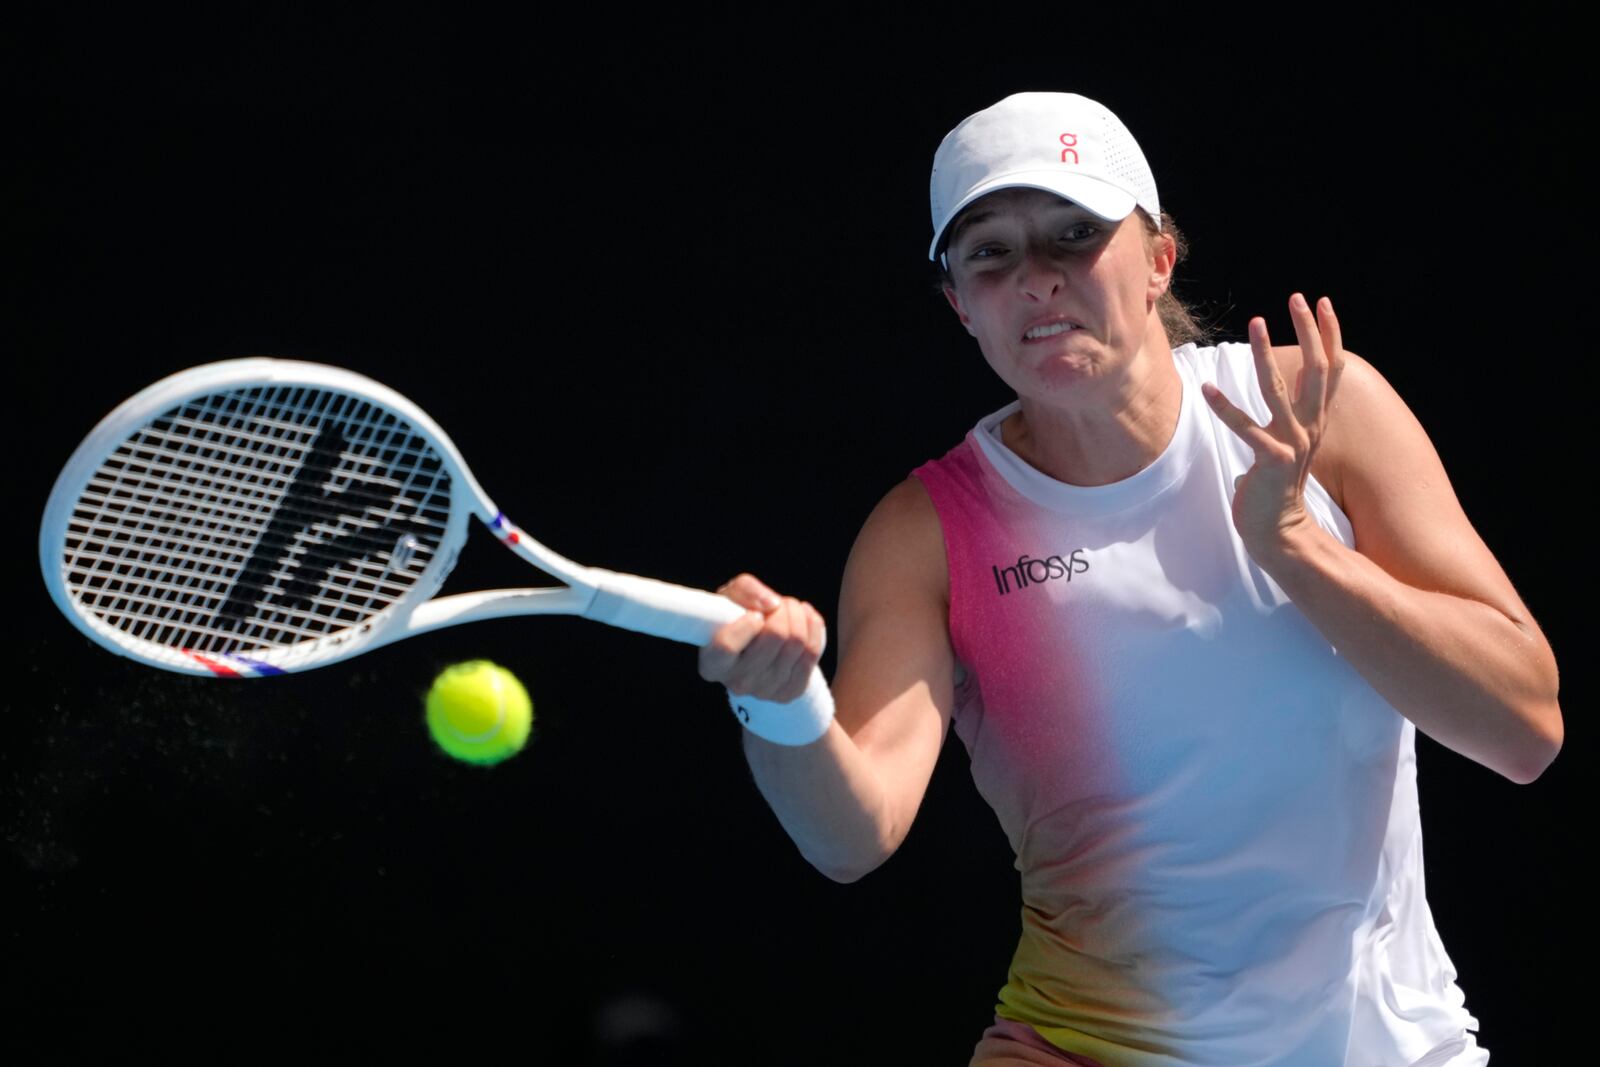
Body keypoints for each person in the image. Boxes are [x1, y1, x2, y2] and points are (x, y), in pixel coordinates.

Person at [697, 92, 1561, 1067]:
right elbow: (851, 834)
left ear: (1157, 258)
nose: (1037, 279)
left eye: (1074, 234)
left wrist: (1295, 543)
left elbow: (1523, 727)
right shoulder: (924, 533)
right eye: (990, 252)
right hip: (1081, 1045)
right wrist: (777, 707)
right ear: (958, 303)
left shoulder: (1322, 408)